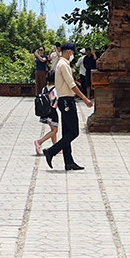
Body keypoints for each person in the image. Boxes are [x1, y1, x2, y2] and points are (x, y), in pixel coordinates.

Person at [42, 43, 91, 171]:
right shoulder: (63, 65)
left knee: (67, 133)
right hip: (67, 101)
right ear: (69, 51)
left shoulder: (62, 64)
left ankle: (69, 162)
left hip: (64, 100)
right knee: (74, 132)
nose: (72, 55)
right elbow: (72, 84)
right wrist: (85, 99)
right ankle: (51, 151)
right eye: (72, 53)